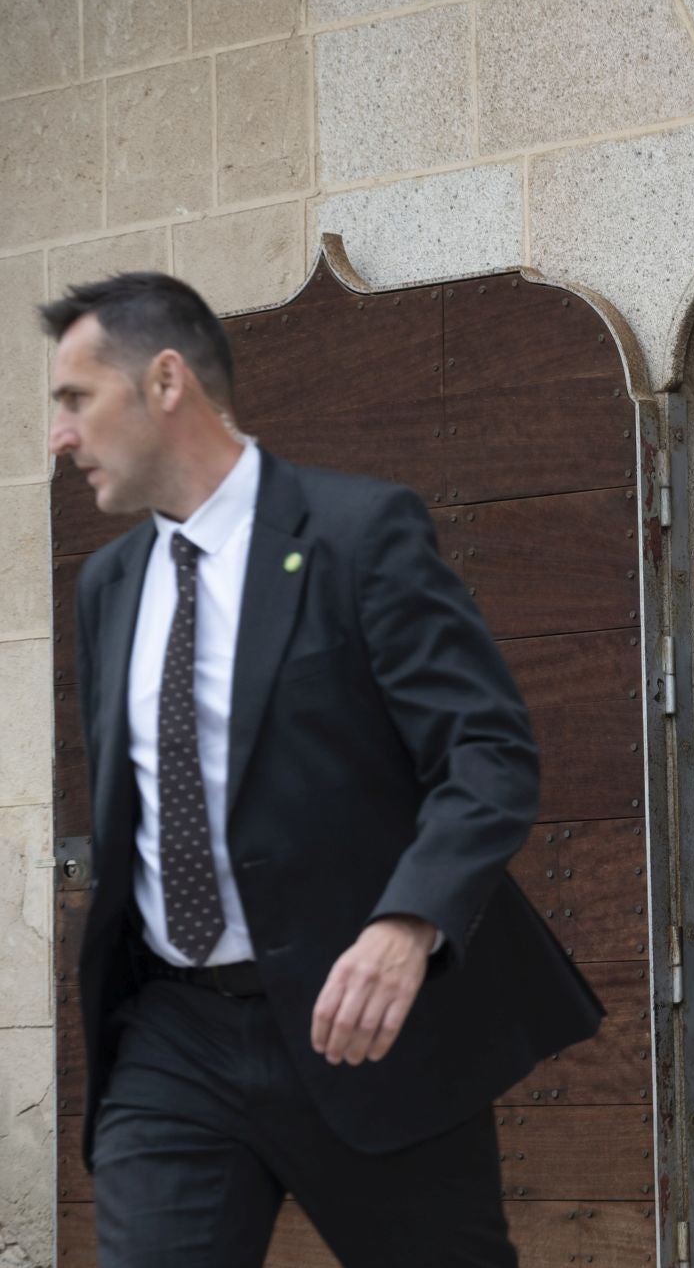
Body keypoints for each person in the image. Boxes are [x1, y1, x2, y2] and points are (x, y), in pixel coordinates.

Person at [46, 272, 603, 1266]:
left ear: (166, 382)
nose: (61, 435)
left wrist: (408, 922)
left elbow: (487, 752)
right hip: (172, 1036)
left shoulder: (357, 535)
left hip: (366, 1029)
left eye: (77, 398)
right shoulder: (108, 585)